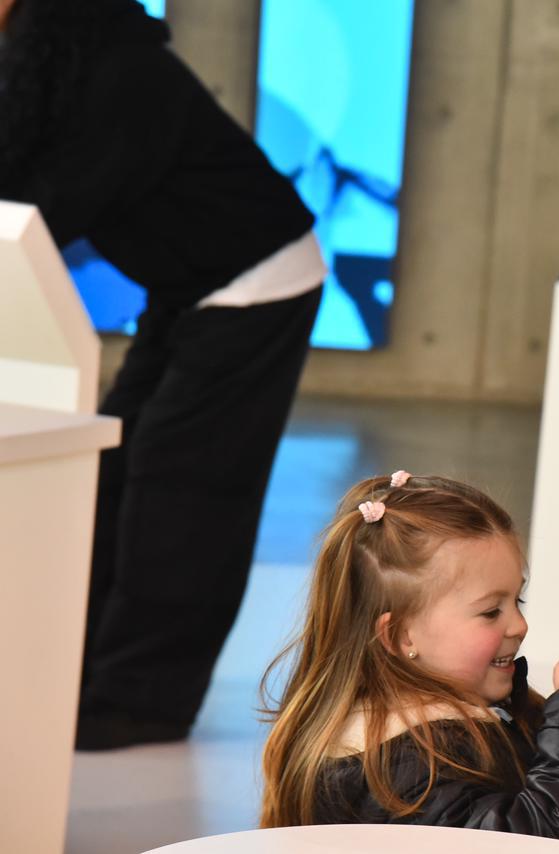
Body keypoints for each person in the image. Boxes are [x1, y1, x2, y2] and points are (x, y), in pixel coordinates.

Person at [0, 0, 325, 749]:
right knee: (112, 469)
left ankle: (144, 701)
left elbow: (49, 207)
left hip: (258, 281)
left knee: (182, 494)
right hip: (185, 286)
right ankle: (80, 671)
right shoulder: (58, 65)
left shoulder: (124, 75)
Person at [260, 472, 559, 852]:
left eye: (517, 601)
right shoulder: (397, 770)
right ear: (399, 636)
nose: (520, 625)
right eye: (491, 611)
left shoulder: (491, 721)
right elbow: (539, 845)